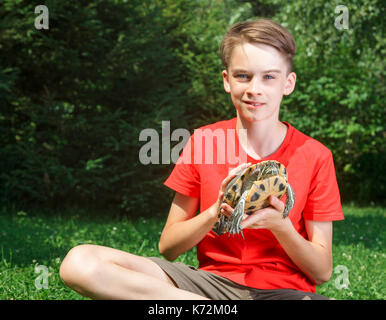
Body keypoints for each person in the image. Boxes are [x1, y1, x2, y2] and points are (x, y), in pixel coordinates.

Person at [59, 19, 344, 300]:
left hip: (284, 293)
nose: (254, 88)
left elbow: (322, 271)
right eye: (243, 76)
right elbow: (169, 247)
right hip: (208, 285)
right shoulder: (203, 142)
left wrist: (278, 225)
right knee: (80, 263)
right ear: (226, 81)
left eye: (269, 77)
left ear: (288, 83)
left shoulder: (315, 154)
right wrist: (213, 212)